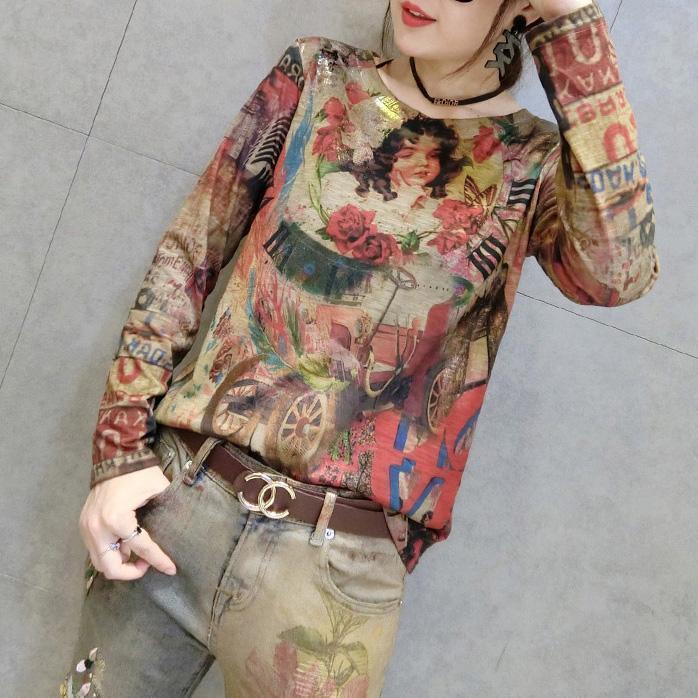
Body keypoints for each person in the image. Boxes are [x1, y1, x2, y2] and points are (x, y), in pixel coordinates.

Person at [60, 0, 659, 695]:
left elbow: (617, 275)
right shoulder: (317, 74)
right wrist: (118, 453)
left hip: (333, 579)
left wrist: (574, 22)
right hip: (177, 508)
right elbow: (189, 254)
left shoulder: (536, 162)